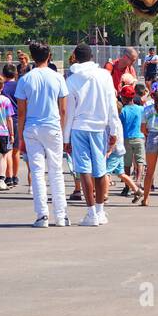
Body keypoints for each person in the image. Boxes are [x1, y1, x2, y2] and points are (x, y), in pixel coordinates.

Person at [64, 43, 121, 224]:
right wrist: (114, 129)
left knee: (84, 170)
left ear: (76, 57)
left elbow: (69, 111)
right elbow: (112, 104)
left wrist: (66, 138)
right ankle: (100, 210)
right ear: (92, 57)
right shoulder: (104, 75)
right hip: (100, 126)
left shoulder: (72, 80)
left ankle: (91, 214)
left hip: (79, 126)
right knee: (100, 169)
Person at [16, 41, 70, 228]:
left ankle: (42, 215)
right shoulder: (58, 78)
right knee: (56, 171)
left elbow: (21, 112)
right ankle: (61, 215)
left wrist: (20, 135)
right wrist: (64, 132)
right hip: (53, 126)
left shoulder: (25, 79)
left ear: (32, 56)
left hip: (32, 127)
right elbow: (63, 110)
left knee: (37, 172)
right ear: (49, 56)